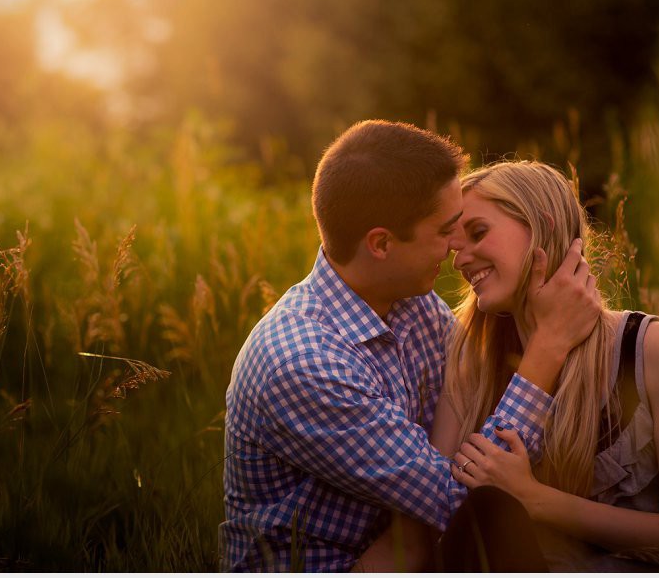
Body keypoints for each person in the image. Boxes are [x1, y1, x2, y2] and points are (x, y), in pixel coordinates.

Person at [219, 121, 601, 571]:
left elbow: (477, 398)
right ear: (381, 243)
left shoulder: (408, 303)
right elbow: (461, 502)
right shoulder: (302, 362)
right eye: (445, 231)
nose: (456, 249)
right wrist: (549, 345)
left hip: (410, 554)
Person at [359, 160, 659, 571]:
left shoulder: (657, 348)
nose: (460, 261)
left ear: (541, 226)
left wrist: (533, 499)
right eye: (455, 246)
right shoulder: (471, 365)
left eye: (478, 233)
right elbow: (431, 524)